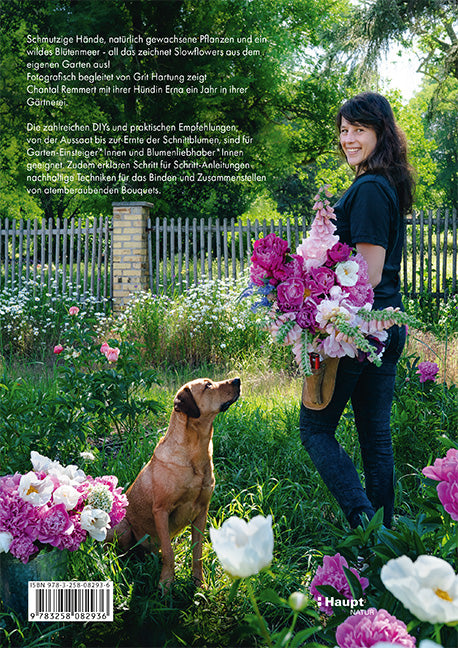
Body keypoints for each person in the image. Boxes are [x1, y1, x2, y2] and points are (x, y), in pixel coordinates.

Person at [299, 92, 415, 529]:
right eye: (344, 130)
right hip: (386, 325)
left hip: (358, 329)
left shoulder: (367, 189)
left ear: (380, 132)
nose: (348, 138)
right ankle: (385, 542)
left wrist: (316, 306)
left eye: (358, 130)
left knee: (314, 430)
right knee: (375, 438)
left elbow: (366, 273)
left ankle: (364, 522)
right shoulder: (383, 183)